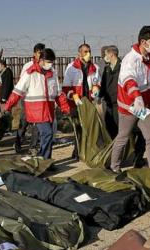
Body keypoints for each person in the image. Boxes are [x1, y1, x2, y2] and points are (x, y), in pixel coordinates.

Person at [4, 48, 70, 159]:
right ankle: (41, 158)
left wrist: (65, 108)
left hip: (48, 110)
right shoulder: (30, 73)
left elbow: (58, 93)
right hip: (36, 110)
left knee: (48, 135)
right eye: (49, 62)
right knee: (47, 134)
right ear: (42, 60)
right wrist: (8, 106)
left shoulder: (52, 73)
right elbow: (17, 92)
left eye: (52, 62)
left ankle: (46, 161)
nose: (51, 64)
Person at [110, 26, 150, 172]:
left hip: (142, 107)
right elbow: (129, 80)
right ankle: (114, 167)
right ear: (144, 42)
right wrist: (137, 97)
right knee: (124, 136)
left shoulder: (147, 59)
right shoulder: (131, 59)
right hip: (129, 106)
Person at [63, 43, 101, 160]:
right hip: (76, 103)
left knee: (89, 127)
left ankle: (88, 151)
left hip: (89, 103)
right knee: (78, 128)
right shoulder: (71, 68)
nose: (88, 54)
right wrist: (73, 95)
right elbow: (65, 87)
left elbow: (97, 83)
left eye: (89, 51)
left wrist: (96, 89)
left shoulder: (95, 68)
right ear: (79, 53)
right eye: (85, 52)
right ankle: (77, 151)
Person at [14, 43, 45, 154]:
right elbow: (22, 83)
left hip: (40, 101)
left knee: (37, 124)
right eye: (39, 52)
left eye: (42, 52)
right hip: (27, 99)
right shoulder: (27, 66)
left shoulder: (46, 66)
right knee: (25, 121)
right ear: (34, 53)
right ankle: (18, 141)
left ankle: (33, 146)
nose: (41, 55)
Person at [100, 45, 121, 138]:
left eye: (106, 54)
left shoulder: (122, 67)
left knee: (119, 127)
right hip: (109, 103)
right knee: (109, 126)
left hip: (119, 103)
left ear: (111, 54)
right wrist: (99, 96)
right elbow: (104, 84)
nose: (105, 57)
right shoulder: (107, 68)